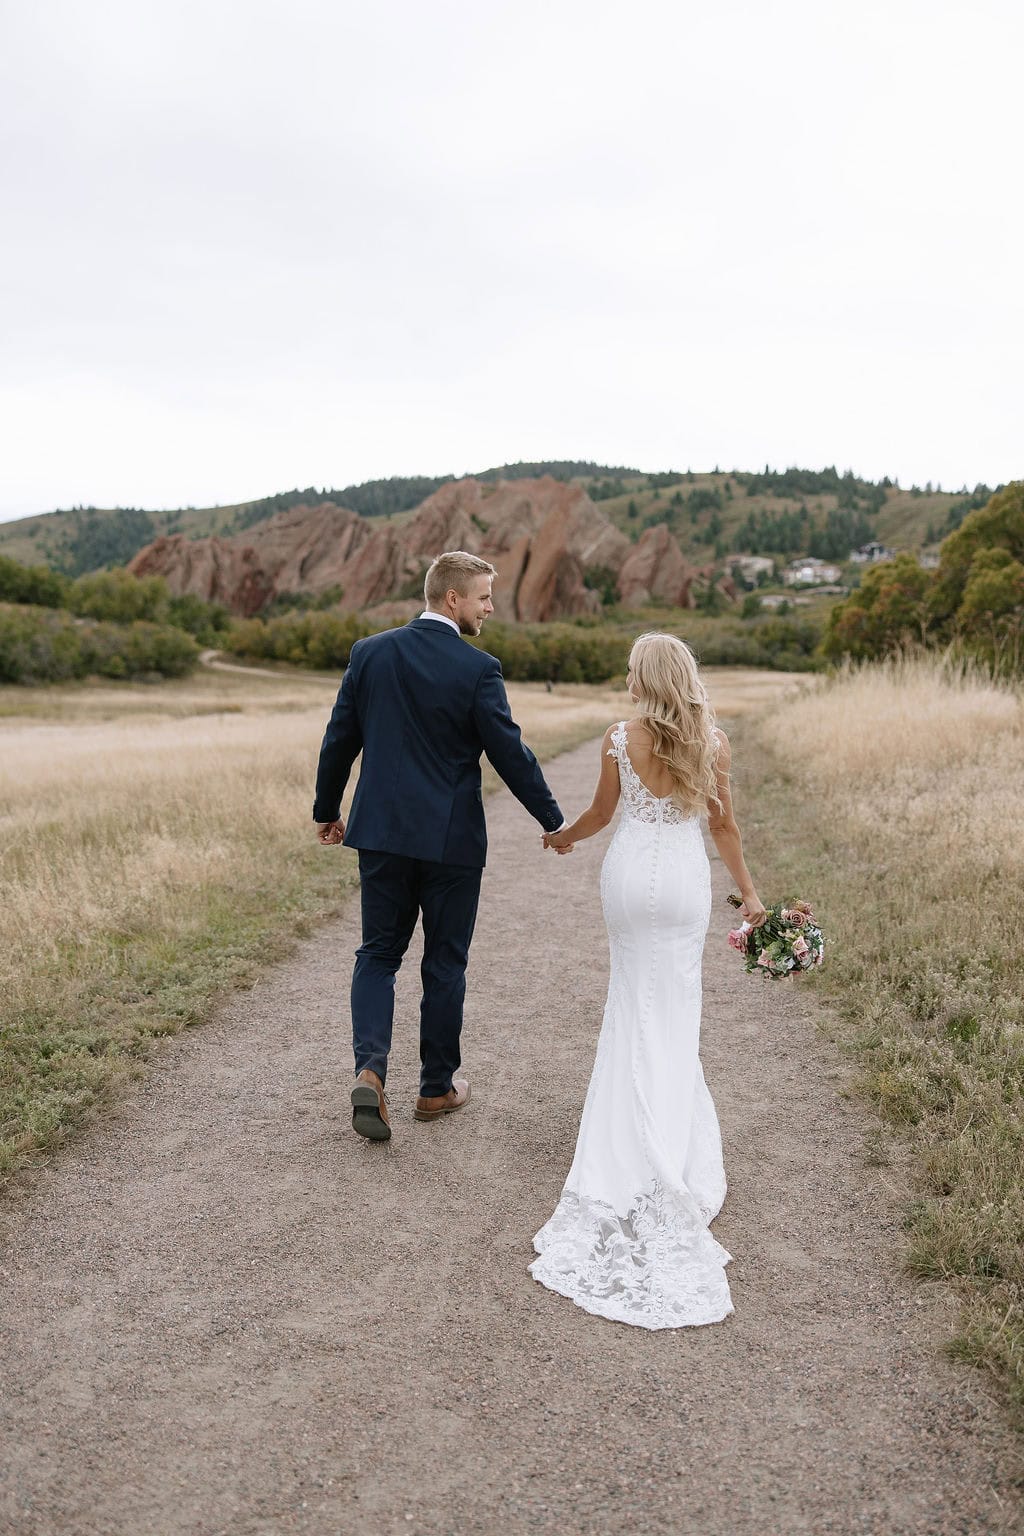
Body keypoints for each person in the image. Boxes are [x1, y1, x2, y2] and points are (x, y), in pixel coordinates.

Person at [530, 631, 766, 1329]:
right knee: (674, 1012)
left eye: (634, 671)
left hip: (630, 877)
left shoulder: (617, 739)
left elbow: (604, 816)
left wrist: (564, 834)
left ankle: (626, 1140)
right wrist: (750, 896)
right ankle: (669, 1138)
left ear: (645, 678)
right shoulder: (712, 742)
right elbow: (724, 829)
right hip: (685, 881)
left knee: (630, 1001)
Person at [313, 550, 566, 1143]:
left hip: (380, 834)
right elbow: (509, 751)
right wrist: (551, 819)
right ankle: (435, 1089)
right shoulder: (478, 669)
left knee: (378, 953)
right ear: (451, 598)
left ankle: (371, 1072)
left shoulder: (369, 653)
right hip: (450, 842)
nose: (490, 608)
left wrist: (328, 810)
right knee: (444, 963)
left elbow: (339, 738)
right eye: (483, 597)